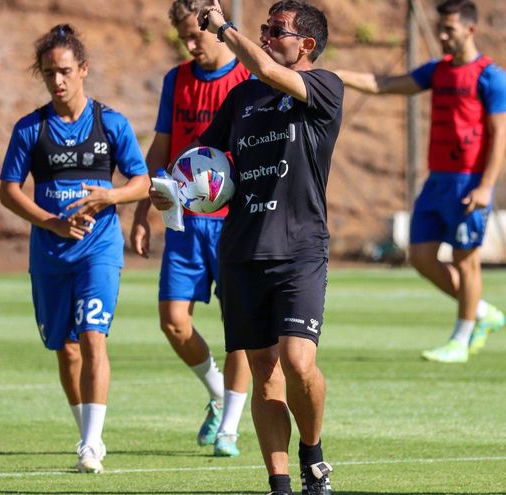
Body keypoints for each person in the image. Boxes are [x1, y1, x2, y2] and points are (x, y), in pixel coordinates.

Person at [154, 0, 342, 493]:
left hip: (299, 249)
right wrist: (164, 192)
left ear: (306, 45)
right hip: (241, 250)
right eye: (263, 28)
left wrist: (223, 28)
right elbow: (199, 166)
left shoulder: (325, 88)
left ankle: (313, 454)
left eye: (275, 30)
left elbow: (260, 66)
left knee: (299, 362)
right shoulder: (241, 101)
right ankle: (279, 483)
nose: (264, 36)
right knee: (264, 370)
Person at [0, 24, 149, 473]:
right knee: (66, 349)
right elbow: (8, 191)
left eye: (65, 71)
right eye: (49, 74)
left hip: (100, 249)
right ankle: (84, 429)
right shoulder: (30, 128)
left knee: (93, 338)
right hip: (49, 253)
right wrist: (53, 224)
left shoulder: (111, 124)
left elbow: (141, 182)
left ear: (83, 69)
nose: (58, 80)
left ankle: (91, 443)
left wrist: (110, 197)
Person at [335, 0, 506, 363]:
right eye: (441, 28)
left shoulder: (491, 77)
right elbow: (383, 84)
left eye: (449, 29)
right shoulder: (437, 71)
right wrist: (335, 75)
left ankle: (461, 339)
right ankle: (481, 312)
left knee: (466, 261)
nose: (443, 35)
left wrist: (485, 185)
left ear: (470, 30)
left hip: (469, 182)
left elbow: (500, 135)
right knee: (421, 257)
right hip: (437, 181)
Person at [130, 0, 252, 458]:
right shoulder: (176, 79)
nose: (190, 44)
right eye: (183, 36)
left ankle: (231, 429)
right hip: (183, 219)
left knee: (239, 326)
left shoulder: (246, 76)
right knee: (174, 321)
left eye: (195, 34)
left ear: (215, 28)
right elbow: (163, 143)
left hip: (235, 222)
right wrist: (143, 211)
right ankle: (218, 393)